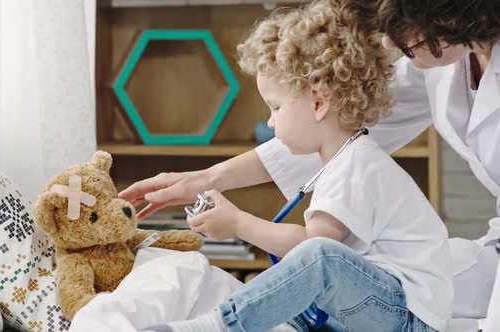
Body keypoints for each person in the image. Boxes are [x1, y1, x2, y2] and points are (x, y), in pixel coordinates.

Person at [121, 0, 500, 329]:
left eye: (275, 108)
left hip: (408, 314)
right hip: (444, 279)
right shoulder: (349, 151)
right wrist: (204, 179)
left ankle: (221, 325)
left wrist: (238, 223)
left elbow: (314, 250)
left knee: (320, 264)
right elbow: (340, 123)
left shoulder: (356, 166)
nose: (388, 42)